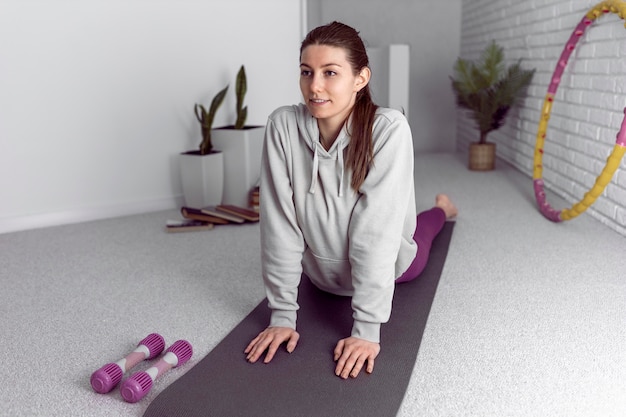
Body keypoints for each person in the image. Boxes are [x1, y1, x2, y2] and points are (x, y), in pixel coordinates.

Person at [244, 21, 458, 379]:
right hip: (319, 276)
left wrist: (366, 331)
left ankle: (442, 208)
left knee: (421, 237)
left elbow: (375, 235)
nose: (314, 86)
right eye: (306, 72)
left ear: (360, 79)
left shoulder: (389, 129)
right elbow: (279, 224)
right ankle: (437, 209)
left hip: (393, 268)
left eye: (330, 73)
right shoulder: (282, 126)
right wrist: (282, 314)